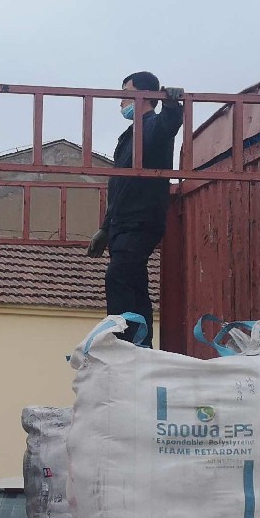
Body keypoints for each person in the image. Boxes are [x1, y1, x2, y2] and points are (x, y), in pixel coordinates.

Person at [87, 71, 185, 347]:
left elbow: (170, 123)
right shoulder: (128, 136)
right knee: (134, 281)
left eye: (125, 93)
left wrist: (171, 102)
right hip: (122, 223)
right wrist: (106, 228)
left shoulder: (153, 126)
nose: (120, 101)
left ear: (145, 95)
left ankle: (122, 341)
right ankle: (140, 343)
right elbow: (120, 187)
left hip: (141, 220)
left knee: (118, 276)